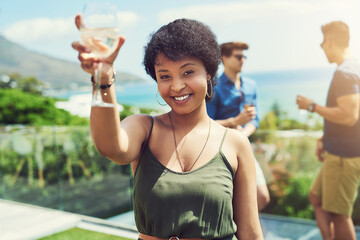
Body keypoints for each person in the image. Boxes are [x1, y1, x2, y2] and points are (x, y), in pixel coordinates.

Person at [72, 15, 263, 240]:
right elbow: (110, 146)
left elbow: (250, 233)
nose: (177, 85)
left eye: (188, 72)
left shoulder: (235, 142)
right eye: (165, 76)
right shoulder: (144, 128)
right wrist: (102, 79)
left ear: (209, 72)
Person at [296, 21, 360, 240]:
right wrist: (325, 137)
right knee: (316, 197)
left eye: (322, 42)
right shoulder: (353, 68)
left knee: (340, 216)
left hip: (344, 156)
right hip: (338, 152)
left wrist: (312, 107)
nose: (322, 47)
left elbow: (349, 115)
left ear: (330, 41)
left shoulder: (345, 73)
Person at [206, 42, 270, 211]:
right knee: (231, 202)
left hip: (245, 148)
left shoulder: (251, 85)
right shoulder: (214, 86)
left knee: (262, 197)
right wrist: (234, 121)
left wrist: (244, 133)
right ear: (224, 59)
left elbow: (254, 120)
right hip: (222, 152)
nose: (243, 60)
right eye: (238, 56)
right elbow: (206, 123)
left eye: (244, 57)